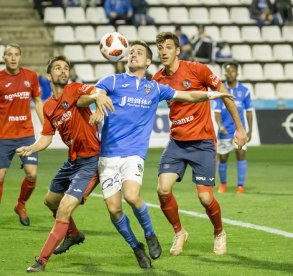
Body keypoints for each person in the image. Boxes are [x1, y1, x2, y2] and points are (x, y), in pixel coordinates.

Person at [95, 40, 235, 269]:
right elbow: (93, 92)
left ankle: (216, 233)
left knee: (203, 198)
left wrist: (212, 96)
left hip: (158, 150)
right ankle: (171, 235)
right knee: (145, 196)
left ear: (148, 61)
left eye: (139, 52)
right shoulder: (113, 80)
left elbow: (187, 95)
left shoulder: (154, 87)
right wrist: (97, 97)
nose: (133, 55)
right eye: (131, 52)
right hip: (115, 154)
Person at [152, 32, 247, 257]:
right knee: (163, 189)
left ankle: (219, 232)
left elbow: (224, 95)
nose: (163, 51)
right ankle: (179, 232)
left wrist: (240, 128)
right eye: (160, 47)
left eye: (167, 47)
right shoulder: (157, 79)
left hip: (203, 142)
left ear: (178, 50)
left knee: (205, 197)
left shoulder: (197, 69)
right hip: (176, 142)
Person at [17, 56, 114, 273]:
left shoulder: (75, 89)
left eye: (66, 68)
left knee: (64, 208)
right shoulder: (49, 106)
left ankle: (41, 261)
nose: (63, 71)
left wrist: (98, 102)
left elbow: (97, 91)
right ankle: (74, 234)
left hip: (91, 160)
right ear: (49, 76)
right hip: (72, 161)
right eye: (58, 68)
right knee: (50, 201)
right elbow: (46, 137)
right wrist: (31, 148)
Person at [0, 43, 44, 229]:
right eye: (9, 54)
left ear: (20, 57)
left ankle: (20, 205)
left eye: (16, 54)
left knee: (32, 174)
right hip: (4, 136)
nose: (13, 57)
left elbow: (38, 100)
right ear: (4, 57)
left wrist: (46, 125)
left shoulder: (31, 76)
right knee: (0, 174)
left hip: (26, 135)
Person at [214, 62, 253, 194]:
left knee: (241, 155)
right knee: (223, 158)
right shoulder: (221, 90)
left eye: (231, 71)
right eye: (226, 71)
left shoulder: (244, 91)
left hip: (239, 131)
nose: (229, 74)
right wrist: (220, 126)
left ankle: (240, 186)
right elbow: (217, 112)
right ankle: (223, 184)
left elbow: (249, 111)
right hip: (225, 132)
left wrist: (250, 130)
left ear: (237, 73)